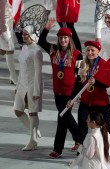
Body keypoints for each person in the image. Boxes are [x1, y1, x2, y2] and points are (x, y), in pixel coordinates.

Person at [68, 40, 110, 161]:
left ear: (98, 52)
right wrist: (72, 98)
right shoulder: (83, 64)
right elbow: (78, 84)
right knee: (83, 127)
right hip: (86, 101)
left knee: (107, 127)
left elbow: (107, 84)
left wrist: (96, 82)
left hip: (100, 102)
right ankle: (83, 153)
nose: (90, 53)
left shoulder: (104, 64)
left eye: (92, 50)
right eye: (88, 50)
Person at [38, 18, 83, 158]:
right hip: (57, 91)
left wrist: (76, 96)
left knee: (63, 116)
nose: (63, 40)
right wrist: (46, 29)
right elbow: (41, 42)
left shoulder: (77, 55)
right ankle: (79, 139)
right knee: (64, 116)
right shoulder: (53, 50)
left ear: (69, 39)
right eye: (61, 38)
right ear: (58, 39)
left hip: (70, 92)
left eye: (65, 38)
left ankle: (61, 147)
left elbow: (80, 78)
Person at [13, 25, 43, 151]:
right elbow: (21, 69)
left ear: (32, 35)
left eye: (26, 34)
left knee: (32, 112)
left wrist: (36, 91)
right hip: (22, 85)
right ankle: (34, 130)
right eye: (23, 34)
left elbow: (38, 72)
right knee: (17, 110)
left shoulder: (37, 51)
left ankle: (33, 140)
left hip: (32, 85)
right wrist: (17, 85)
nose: (24, 36)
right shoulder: (24, 48)